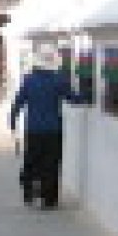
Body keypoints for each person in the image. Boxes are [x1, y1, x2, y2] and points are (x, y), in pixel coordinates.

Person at [8, 43, 86, 210]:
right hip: (53, 129)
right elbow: (73, 98)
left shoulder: (29, 80)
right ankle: (49, 198)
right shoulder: (59, 80)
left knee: (32, 160)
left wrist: (13, 123)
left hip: (33, 129)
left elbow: (18, 103)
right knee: (51, 163)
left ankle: (29, 191)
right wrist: (87, 94)